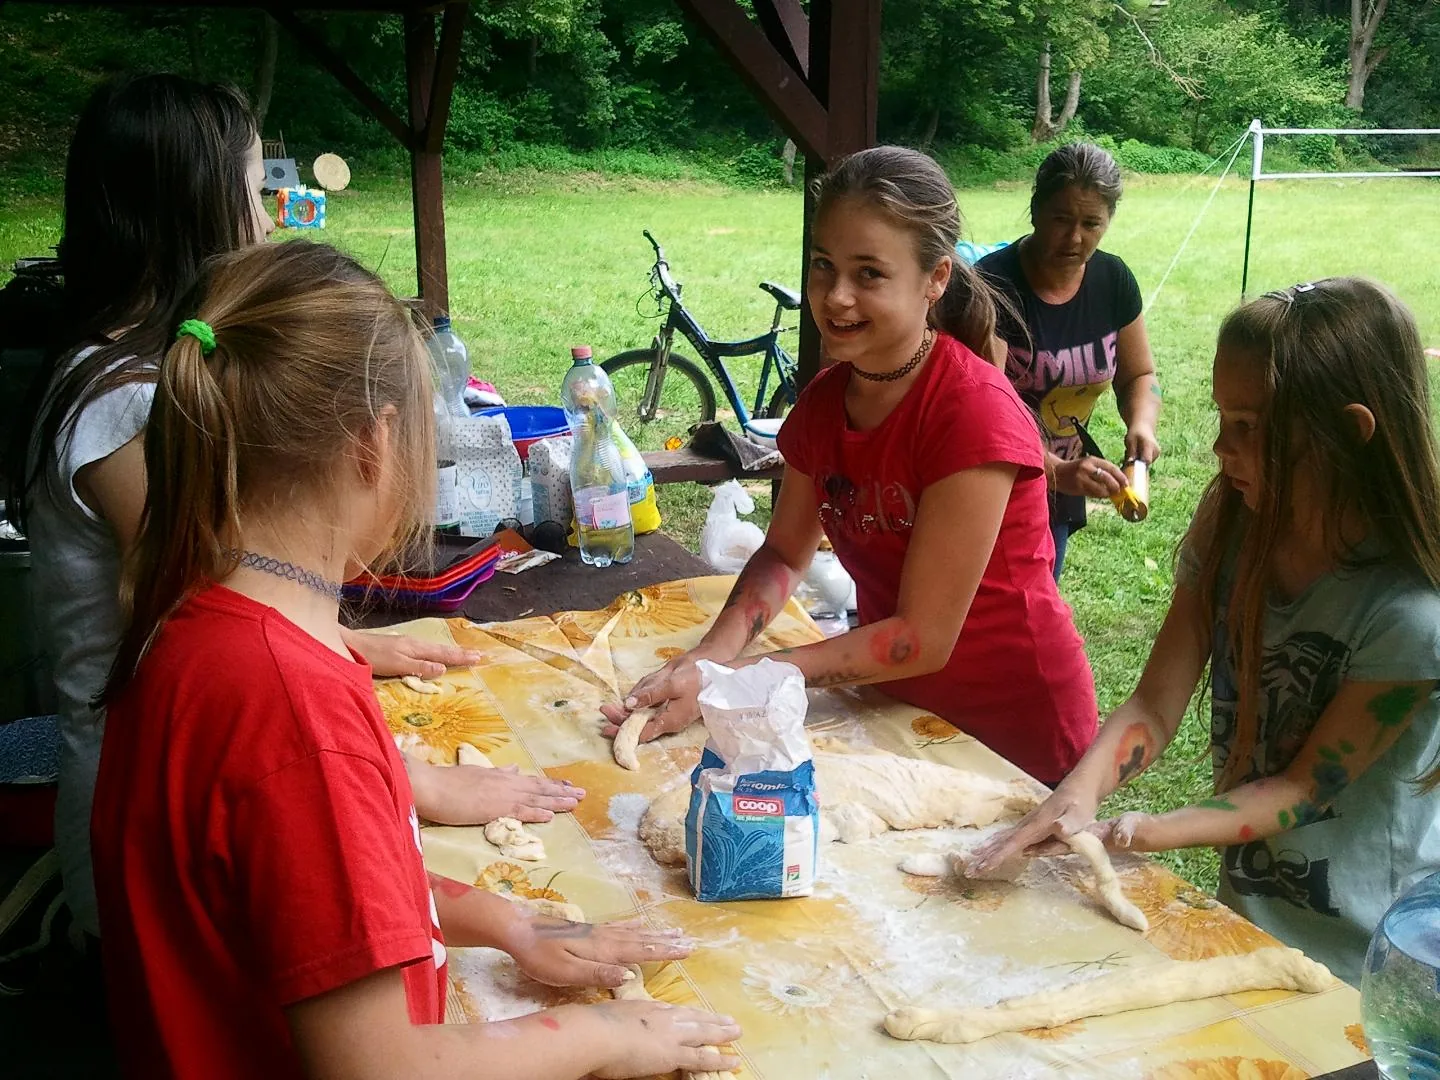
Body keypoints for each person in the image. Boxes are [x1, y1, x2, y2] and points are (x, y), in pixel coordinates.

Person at [91, 239, 741, 1079]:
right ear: (375, 443)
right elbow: (383, 1067)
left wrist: (504, 922)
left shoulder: (189, 616)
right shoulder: (295, 711)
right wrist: (601, 1037)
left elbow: (300, 906)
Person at [2, 74, 577, 940]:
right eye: (252, 194)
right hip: (156, 828)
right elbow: (207, 613)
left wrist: (343, 645)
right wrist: (416, 782)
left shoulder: (122, 366)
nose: (270, 221)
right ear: (191, 207)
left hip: (172, 783)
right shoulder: (127, 405)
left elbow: (218, 577)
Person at [972, 278, 1440, 984]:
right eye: (1223, 417)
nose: (1221, 447)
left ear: (1349, 432)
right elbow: (1155, 707)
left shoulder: (1409, 613)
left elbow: (1303, 789)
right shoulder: (1233, 526)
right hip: (1251, 918)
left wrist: (1136, 832)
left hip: (1368, 959)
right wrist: (1078, 795)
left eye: (1249, 427)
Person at [602, 146, 1098, 787]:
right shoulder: (825, 403)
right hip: (898, 704)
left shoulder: (971, 414)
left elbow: (921, 637)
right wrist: (711, 659)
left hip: (1013, 730)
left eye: (869, 274)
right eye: (823, 267)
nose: (836, 297)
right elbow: (783, 553)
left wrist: (761, 675)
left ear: (937, 278)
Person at [977, 142, 1161, 580]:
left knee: (1039, 598)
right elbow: (980, 416)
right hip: (991, 486)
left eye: (1092, 223)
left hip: (1060, 485)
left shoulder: (1112, 279)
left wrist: (1142, 424)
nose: (1076, 237)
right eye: (1062, 219)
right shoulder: (990, 288)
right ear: (1036, 209)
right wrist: (1054, 470)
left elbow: (1139, 374)